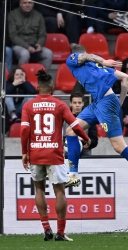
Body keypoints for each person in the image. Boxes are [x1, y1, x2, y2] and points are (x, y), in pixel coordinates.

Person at [65, 44, 128, 204]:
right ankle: (73, 175)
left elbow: (85, 56)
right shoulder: (95, 66)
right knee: (71, 130)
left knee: (118, 146)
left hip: (105, 103)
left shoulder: (74, 60)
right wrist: (120, 102)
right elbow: (126, 78)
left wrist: (103, 61)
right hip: (99, 103)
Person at [20, 70, 91, 241]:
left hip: (35, 152)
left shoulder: (28, 106)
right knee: (59, 191)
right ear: (52, 87)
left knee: (39, 189)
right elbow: (74, 124)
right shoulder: (59, 104)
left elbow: (23, 130)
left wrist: (24, 152)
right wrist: (86, 138)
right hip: (54, 153)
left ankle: (46, 229)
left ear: (38, 87)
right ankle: (60, 232)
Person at [8, 0, 53, 71]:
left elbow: (42, 35)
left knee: (48, 53)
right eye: (24, 3)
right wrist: (27, 47)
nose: (27, 5)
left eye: (30, 3)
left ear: (33, 4)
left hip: (35, 45)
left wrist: (39, 44)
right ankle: (21, 78)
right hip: (19, 46)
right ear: (20, 4)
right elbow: (13, 36)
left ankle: (42, 79)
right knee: (25, 54)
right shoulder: (12, 15)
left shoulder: (39, 15)